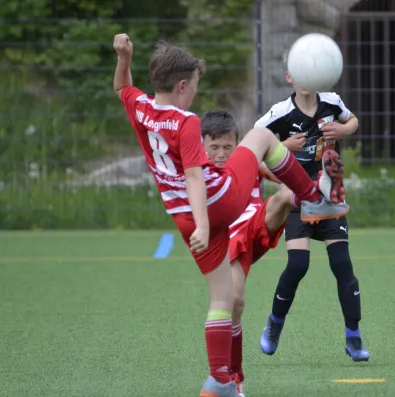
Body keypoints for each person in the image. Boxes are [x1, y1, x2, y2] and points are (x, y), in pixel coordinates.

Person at [112, 34, 350, 397]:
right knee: (261, 136)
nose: (194, 94)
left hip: (184, 219)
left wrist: (123, 57)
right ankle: (310, 195)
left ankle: (220, 380)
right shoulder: (186, 121)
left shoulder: (141, 108)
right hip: (218, 202)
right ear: (181, 86)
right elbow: (195, 174)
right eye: (193, 86)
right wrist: (207, 223)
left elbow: (122, 87)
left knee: (225, 300)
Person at [256, 62, 370, 362]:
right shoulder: (280, 113)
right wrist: (283, 147)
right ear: (289, 78)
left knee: (343, 265)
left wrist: (343, 129)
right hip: (297, 199)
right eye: (298, 74)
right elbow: (251, 149)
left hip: (330, 197)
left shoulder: (331, 102)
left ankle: (354, 338)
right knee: (297, 266)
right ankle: (274, 326)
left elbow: (354, 121)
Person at [200, 110, 298, 397]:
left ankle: (313, 196)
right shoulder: (199, 171)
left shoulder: (245, 162)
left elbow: (275, 172)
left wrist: (287, 167)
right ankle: (234, 376)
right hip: (226, 240)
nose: (221, 154)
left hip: (255, 226)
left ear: (237, 143)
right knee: (236, 302)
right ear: (203, 144)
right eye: (214, 147)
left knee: (284, 194)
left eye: (227, 147)